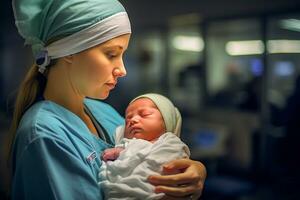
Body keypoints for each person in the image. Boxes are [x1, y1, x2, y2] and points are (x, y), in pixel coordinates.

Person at [8, 0, 206, 199]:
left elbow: (151, 151)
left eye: (122, 55)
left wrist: (192, 169)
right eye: (111, 54)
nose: (122, 70)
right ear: (69, 50)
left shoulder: (104, 112)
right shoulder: (45, 136)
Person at [99, 93, 190, 199]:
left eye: (144, 114)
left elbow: (166, 162)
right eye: (128, 118)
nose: (133, 120)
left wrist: (122, 152)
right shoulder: (125, 144)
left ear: (167, 121)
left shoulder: (170, 143)